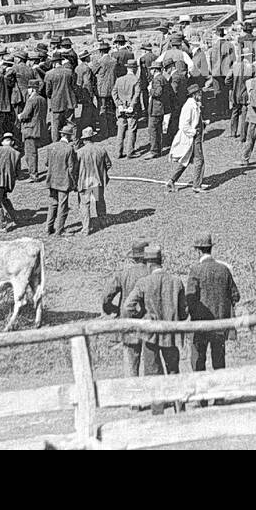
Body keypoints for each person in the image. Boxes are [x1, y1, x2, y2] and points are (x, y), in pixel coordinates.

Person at [122, 245, 189, 412]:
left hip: (150, 336)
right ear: (161, 261)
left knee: (153, 373)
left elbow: (127, 307)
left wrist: (141, 318)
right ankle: (179, 408)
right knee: (174, 370)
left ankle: (157, 410)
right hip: (171, 336)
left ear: (149, 264)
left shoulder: (143, 283)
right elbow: (184, 311)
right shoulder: (176, 282)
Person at [186, 233, 240, 372]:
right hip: (220, 324)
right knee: (219, 360)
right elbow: (236, 296)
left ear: (198, 251)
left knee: (198, 360)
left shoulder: (195, 270)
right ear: (210, 248)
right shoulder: (224, 270)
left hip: (201, 324)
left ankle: (201, 389)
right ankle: (219, 390)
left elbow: (190, 300)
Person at [102, 241, 153, 378]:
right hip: (150, 322)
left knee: (131, 365)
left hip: (129, 322)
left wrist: (115, 310)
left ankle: (133, 395)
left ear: (133, 257)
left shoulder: (123, 274)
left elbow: (106, 296)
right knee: (152, 364)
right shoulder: (152, 273)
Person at [168, 82, 207, 193]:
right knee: (199, 160)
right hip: (193, 137)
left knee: (186, 160)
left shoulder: (194, 104)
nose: (201, 94)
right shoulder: (189, 106)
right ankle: (196, 185)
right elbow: (183, 125)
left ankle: (172, 180)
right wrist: (194, 132)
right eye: (199, 93)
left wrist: (202, 123)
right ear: (194, 94)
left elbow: (194, 121)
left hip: (196, 136)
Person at [43, 123, 79, 236]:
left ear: (62, 134)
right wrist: (74, 183)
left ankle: (48, 228)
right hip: (63, 182)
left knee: (53, 204)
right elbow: (71, 168)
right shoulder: (69, 149)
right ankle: (59, 230)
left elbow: (46, 163)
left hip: (51, 180)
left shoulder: (50, 147)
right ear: (69, 136)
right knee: (63, 206)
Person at [76, 126, 111, 234]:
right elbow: (108, 164)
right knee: (99, 201)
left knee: (85, 204)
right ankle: (103, 223)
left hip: (85, 182)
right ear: (93, 137)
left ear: (84, 139)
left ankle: (86, 228)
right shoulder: (101, 149)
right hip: (97, 181)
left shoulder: (79, 152)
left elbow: (75, 169)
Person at [0, 132, 23, 232]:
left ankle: (2, 225)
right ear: (12, 142)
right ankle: (15, 218)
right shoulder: (17, 153)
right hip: (8, 182)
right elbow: (18, 171)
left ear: (3, 142)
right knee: (4, 200)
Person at [18, 79, 48, 180]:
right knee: (34, 152)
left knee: (30, 153)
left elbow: (25, 115)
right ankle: (34, 172)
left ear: (33, 89)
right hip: (40, 129)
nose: (28, 91)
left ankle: (33, 174)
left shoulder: (31, 100)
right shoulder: (43, 99)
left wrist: (19, 116)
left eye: (29, 88)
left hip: (30, 129)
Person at [43, 53, 77, 143]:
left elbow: (48, 92)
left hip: (56, 103)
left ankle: (56, 143)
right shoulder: (69, 72)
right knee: (70, 123)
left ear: (53, 63)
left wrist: (53, 96)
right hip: (69, 101)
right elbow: (74, 87)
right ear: (61, 61)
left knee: (56, 125)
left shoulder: (49, 74)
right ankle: (72, 141)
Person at [113, 57, 140, 158]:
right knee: (132, 129)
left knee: (120, 130)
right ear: (134, 69)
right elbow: (137, 95)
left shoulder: (119, 79)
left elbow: (114, 92)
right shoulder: (136, 80)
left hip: (121, 109)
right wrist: (132, 106)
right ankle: (130, 152)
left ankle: (118, 152)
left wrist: (119, 104)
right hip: (131, 109)